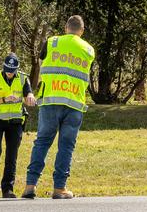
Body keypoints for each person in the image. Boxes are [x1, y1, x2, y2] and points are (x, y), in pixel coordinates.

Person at [22, 15, 95, 200]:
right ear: (82, 31)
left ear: (65, 28)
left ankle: (30, 186)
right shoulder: (88, 49)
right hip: (73, 103)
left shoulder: (51, 42)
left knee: (42, 142)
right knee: (66, 146)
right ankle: (59, 188)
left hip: (50, 101)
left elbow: (41, 61)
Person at [0, 53, 37, 199]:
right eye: (7, 69)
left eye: (12, 70)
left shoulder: (24, 78)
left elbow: (28, 93)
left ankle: (8, 189)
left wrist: (30, 97)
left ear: (17, 69)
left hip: (16, 122)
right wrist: (4, 99)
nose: (9, 72)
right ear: (3, 67)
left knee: (12, 156)